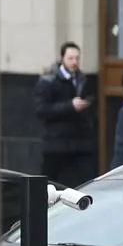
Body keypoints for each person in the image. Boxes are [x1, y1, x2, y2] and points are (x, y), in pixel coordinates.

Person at [33, 42, 97, 187]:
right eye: (70, 58)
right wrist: (69, 106)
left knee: (81, 183)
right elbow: (42, 109)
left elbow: (91, 97)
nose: (74, 62)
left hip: (79, 141)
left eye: (77, 58)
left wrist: (87, 103)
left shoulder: (82, 79)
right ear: (62, 58)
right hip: (56, 142)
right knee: (51, 184)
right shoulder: (48, 81)